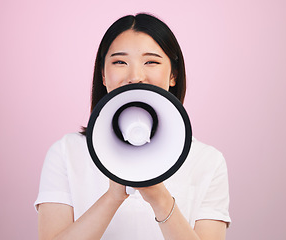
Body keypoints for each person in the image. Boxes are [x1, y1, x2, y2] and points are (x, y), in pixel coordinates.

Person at [35, 13, 231, 240]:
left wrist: (159, 198)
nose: (135, 76)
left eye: (151, 62)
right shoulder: (66, 152)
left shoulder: (208, 161)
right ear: (103, 75)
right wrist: (113, 196)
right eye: (119, 62)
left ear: (173, 75)